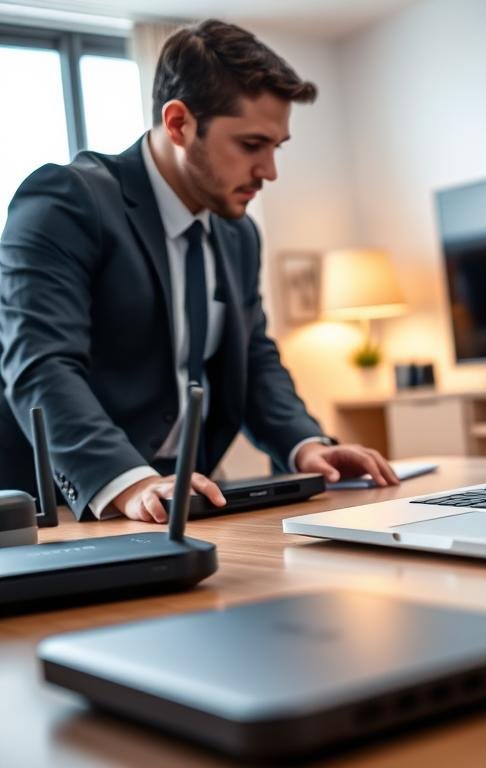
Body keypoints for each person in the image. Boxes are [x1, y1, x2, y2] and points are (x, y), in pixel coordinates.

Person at [0, 19, 398, 524]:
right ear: (179, 123)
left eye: (277, 147)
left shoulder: (239, 233)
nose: (270, 171)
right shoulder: (66, 201)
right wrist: (127, 479)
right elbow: (40, 362)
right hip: (58, 511)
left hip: (187, 500)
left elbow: (252, 357)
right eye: (252, 145)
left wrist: (305, 443)